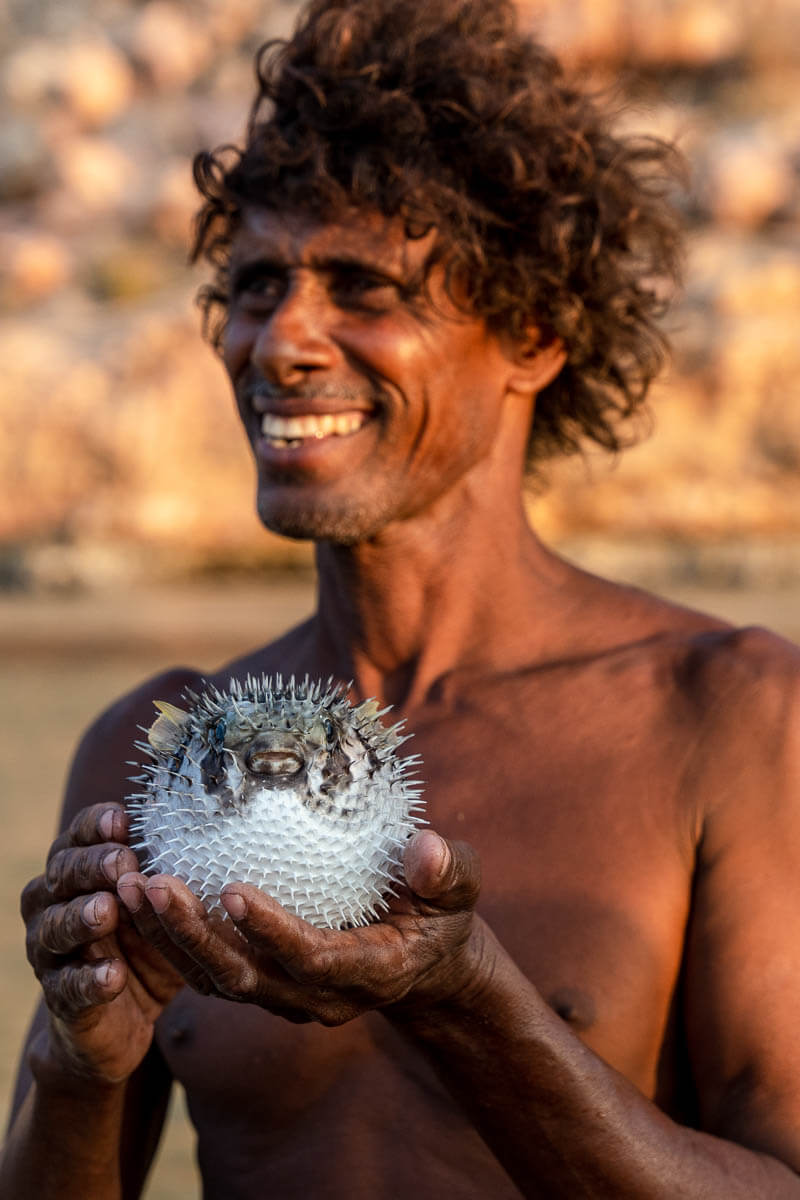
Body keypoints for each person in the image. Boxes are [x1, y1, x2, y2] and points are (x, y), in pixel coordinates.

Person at [4, 0, 800, 1196]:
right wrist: (77, 1062)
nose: (281, 341)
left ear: (531, 333)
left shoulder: (724, 714)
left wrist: (472, 1000)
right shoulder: (154, 751)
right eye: (257, 282)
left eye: (363, 289)